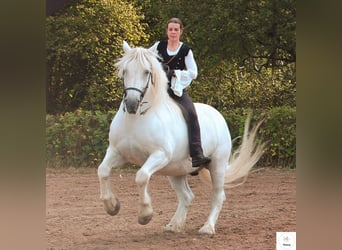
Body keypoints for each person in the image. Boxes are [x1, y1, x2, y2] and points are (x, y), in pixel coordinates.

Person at [150, 17, 211, 168]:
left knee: (191, 114)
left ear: (180, 31)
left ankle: (196, 153)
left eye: (176, 29)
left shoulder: (186, 50)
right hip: (157, 90)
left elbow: (193, 73)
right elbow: (145, 57)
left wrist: (174, 72)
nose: (173, 32)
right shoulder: (158, 46)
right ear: (167, 31)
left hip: (176, 90)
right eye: (170, 29)